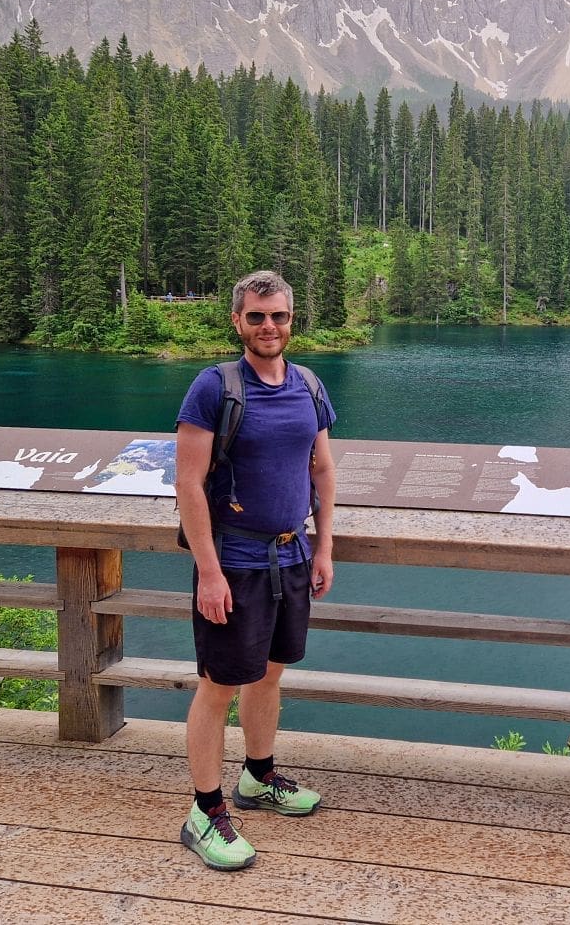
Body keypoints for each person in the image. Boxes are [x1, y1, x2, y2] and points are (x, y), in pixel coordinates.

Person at [173, 269, 337, 871]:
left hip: (292, 553)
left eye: (280, 317)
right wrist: (208, 571)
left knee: (269, 675)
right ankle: (205, 811)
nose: (269, 327)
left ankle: (259, 777)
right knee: (219, 684)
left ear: (292, 320)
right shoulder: (214, 388)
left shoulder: (310, 385)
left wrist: (323, 547)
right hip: (234, 561)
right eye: (257, 317)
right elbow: (188, 483)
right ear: (238, 321)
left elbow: (321, 470)